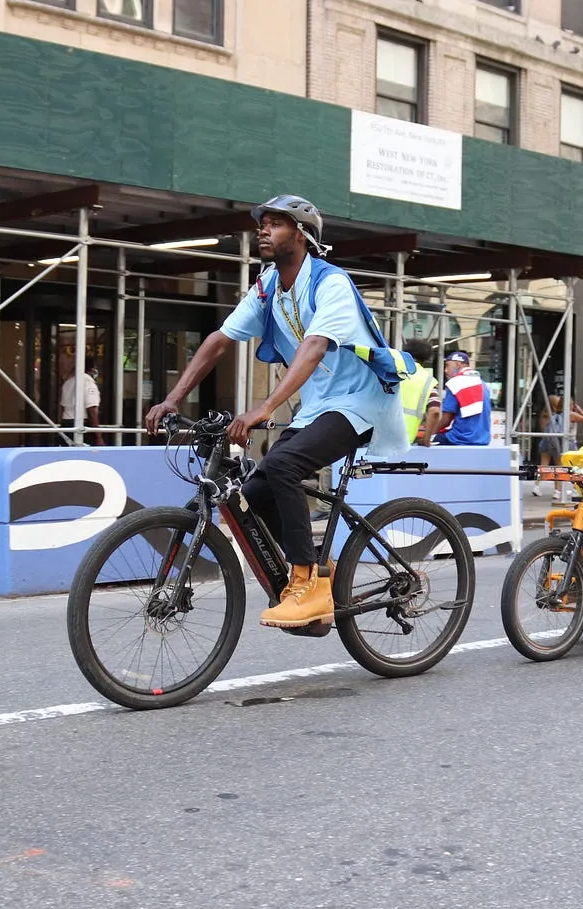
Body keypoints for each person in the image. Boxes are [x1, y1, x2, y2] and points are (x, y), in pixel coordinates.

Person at [144, 193, 408, 631]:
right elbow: (220, 340)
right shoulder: (267, 286)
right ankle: (318, 578)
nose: (263, 230)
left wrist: (263, 409)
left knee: (283, 465)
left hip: (361, 401)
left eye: (277, 223)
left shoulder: (330, 283)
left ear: (302, 235)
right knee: (257, 493)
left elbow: (313, 347)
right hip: (319, 406)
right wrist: (173, 397)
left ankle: (308, 583)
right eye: (261, 223)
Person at [422, 350, 490, 446]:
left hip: (460, 439)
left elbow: (445, 420)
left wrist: (427, 435)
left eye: (447, 365)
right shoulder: (482, 384)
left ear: (458, 364)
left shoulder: (456, 383)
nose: (445, 370)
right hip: (483, 440)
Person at [401, 340, 441, 446]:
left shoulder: (390, 371)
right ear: (425, 359)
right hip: (406, 440)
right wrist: (426, 440)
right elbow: (435, 411)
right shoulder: (428, 380)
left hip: (379, 438)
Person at [59, 354, 102, 446]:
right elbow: (91, 409)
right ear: (92, 368)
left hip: (66, 424)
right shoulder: (88, 382)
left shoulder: (68, 383)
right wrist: (98, 436)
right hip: (82, 425)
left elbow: (62, 407)